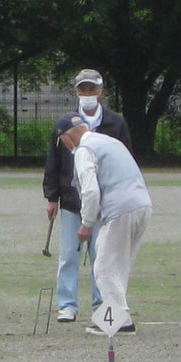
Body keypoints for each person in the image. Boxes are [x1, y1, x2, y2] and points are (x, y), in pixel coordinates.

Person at [42, 69, 133, 323]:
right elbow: (53, 162)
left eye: (92, 89)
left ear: (101, 93)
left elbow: (125, 158)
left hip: (106, 202)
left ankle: (101, 305)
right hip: (72, 201)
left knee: (101, 257)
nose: (87, 94)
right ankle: (67, 306)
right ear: (76, 92)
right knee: (68, 255)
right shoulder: (64, 124)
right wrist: (52, 197)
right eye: (82, 89)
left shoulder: (116, 123)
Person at [53, 113, 152, 335]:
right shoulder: (110, 142)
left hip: (119, 209)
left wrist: (87, 223)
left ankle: (120, 321)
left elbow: (90, 191)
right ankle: (114, 318)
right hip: (143, 205)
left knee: (103, 266)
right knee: (118, 266)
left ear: (67, 138)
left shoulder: (84, 150)